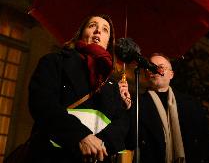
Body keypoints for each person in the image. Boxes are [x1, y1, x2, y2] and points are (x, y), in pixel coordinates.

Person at [27, 14, 131, 163]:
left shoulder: (112, 84)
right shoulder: (54, 62)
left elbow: (122, 123)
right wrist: (80, 136)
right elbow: (42, 103)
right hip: (55, 155)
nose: (98, 31)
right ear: (81, 33)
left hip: (99, 157)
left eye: (105, 29)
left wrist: (101, 144)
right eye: (92, 25)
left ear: (108, 42)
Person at [127, 53, 209, 163]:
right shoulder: (136, 103)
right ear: (146, 74)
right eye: (150, 67)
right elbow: (129, 141)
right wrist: (126, 108)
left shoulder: (191, 104)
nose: (155, 70)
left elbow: (208, 140)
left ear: (171, 74)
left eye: (160, 67)